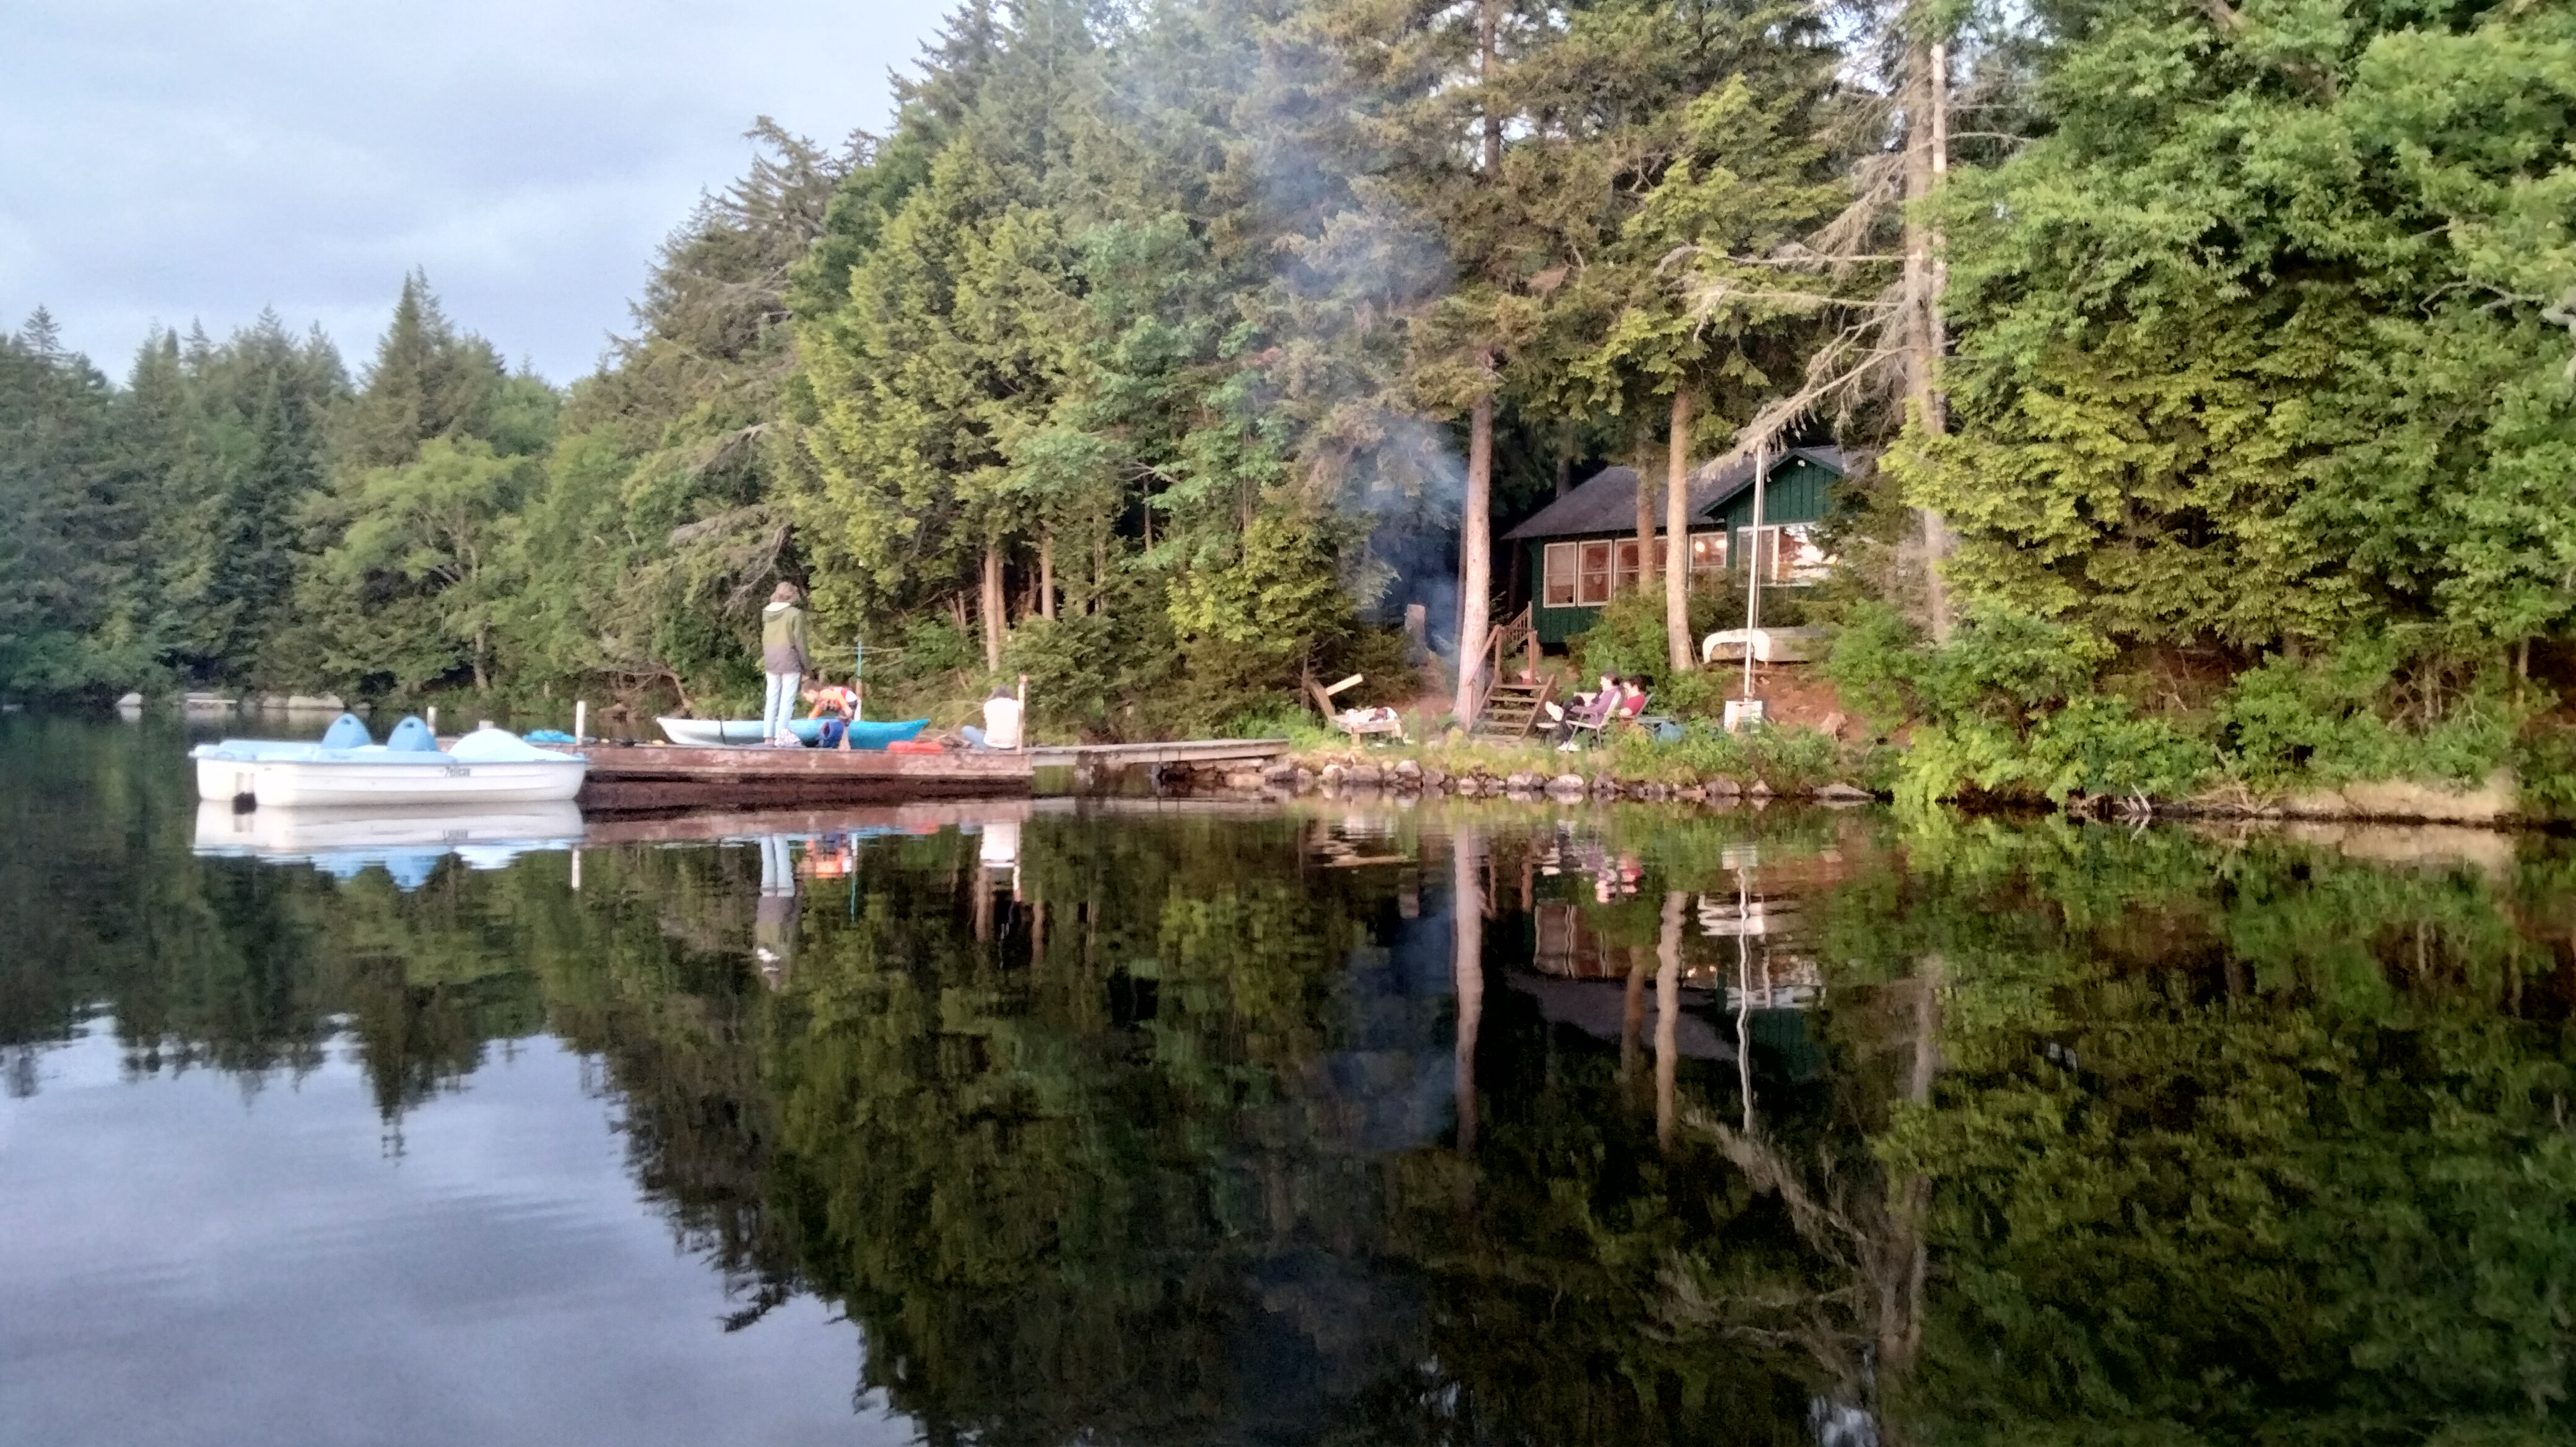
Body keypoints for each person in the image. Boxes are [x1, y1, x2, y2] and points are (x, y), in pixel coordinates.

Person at [759, 582, 809, 745]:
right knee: (787, 700)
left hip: (771, 659)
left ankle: (768, 737)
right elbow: (800, 642)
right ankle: (782, 736)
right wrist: (807, 667)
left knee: (771, 698)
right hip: (790, 660)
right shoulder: (795, 614)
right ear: (792, 596)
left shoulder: (766, 612)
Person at [960, 685, 1022, 751]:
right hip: (1012, 745)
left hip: (991, 745)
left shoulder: (988, 704)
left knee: (966, 729)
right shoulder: (1017, 704)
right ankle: (977, 747)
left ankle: (978, 748)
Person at [804, 680, 859, 749]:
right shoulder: (820, 701)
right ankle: (844, 745)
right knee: (843, 723)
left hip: (849, 700)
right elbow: (816, 712)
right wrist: (808, 720)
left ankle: (844, 745)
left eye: (806, 697)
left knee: (841, 724)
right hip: (846, 702)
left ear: (812, 692)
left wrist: (846, 708)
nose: (807, 699)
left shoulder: (823, 693)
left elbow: (838, 697)